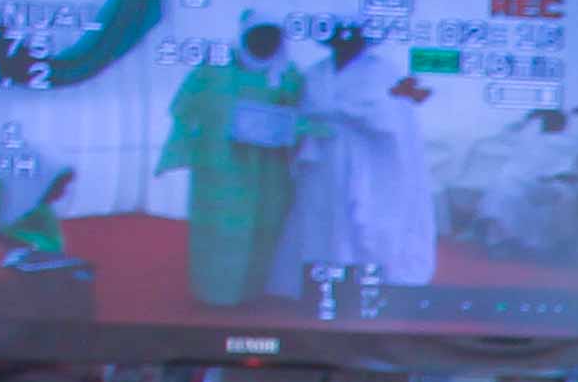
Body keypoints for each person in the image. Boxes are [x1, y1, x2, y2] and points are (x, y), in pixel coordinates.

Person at [160, 18, 308, 305]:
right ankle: (213, 293)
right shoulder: (214, 69)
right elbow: (182, 107)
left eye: (271, 38)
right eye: (258, 36)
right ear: (244, 36)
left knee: (261, 230)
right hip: (219, 166)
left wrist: (287, 130)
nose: (264, 43)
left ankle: (251, 292)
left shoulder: (288, 75)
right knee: (219, 231)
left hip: (268, 172)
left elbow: (303, 118)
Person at [283, 28, 439, 295]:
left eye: (352, 38)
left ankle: (371, 282)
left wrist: (341, 112)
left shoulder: (385, 73)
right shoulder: (315, 73)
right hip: (325, 159)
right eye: (338, 39)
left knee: (368, 219)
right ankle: (325, 281)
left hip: (371, 161)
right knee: (323, 217)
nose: (345, 44)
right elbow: (303, 111)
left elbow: (390, 119)